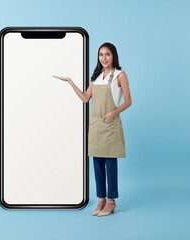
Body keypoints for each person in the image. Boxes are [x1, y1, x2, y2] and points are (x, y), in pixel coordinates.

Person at [53, 42, 132, 216]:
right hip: (96, 125)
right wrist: (70, 81)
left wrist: (113, 112)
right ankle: (101, 199)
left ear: (114, 56)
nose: (104, 58)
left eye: (107, 54)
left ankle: (111, 201)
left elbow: (128, 101)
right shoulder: (96, 77)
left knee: (110, 163)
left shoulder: (120, 75)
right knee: (97, 164)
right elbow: (85, 98)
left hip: (110, 124)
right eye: (101, 54)